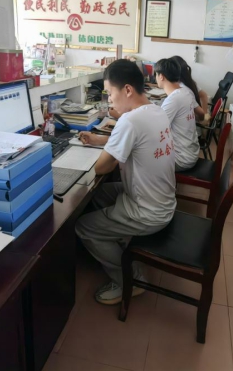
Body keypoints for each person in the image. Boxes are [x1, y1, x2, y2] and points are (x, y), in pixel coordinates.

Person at [75, 60, 176, 305]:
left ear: (127, 90)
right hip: (162, 200)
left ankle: (130, 279)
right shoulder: (155, 110)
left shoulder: (129, 121)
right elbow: (136, 142)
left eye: (110, 93)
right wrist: (101, 141)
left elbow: (103, 167)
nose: (109, 100)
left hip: (148, 212)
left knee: (83, 226)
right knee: (99, 194)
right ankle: (115, 239)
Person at [154, 58, 200, 171]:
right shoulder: (186, 91)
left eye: (156, 74)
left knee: (137, 156)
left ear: (161, 76)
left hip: (181, 159)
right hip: (190, 153)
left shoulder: (174, 99)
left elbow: (155, 128)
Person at [171, 55, 209, 120]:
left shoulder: (183, 87)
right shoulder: (188, 82)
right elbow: (204, 95)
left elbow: (203, 95)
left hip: (189, 117)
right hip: (191, 116)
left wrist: (204, 114)